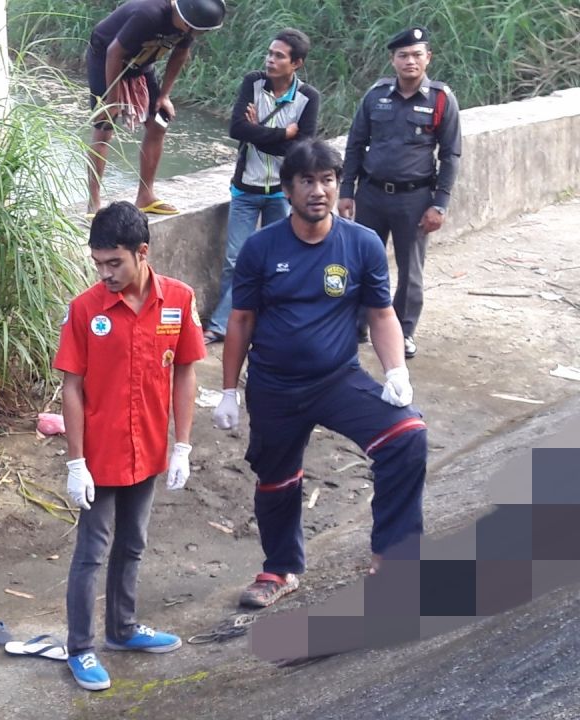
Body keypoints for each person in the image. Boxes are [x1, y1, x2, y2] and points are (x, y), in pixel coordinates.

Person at [213, 140, 428, 609]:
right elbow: (241, 320)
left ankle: (393, 555)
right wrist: (229, 390)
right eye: (307, 181)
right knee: (276, 480)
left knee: (407, 436)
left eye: (327, 180)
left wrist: (396, 371)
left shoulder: (362, 243)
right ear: (288, 190)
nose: (318, 190)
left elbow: (382, 314)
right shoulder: (260, 248)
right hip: (273, 386)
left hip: (337, 380)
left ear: (337, 185)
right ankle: (279, 569)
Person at [53, 201, 206, 690]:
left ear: (142, 253)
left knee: (133, 542)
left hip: (149, 448)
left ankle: (122, 629)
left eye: (114, 262)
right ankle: (81, 648)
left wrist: (182, 445)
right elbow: (72, 387)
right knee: (92, 550)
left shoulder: (177, 301)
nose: (105, 274)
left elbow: (185, 372)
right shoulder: (85, 309)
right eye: (98, 263)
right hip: (100, 454)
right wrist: (76, 462)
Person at [337, 26, 462, 358]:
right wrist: (347, 190)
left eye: (417, 55)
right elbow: (355, 144)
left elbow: (450, 155)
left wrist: (440, 204)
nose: (410, 61)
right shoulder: (375, 96)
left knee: (411, 272)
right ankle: (357, 325)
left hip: (414, 199)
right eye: (403, 55)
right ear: (393, 60)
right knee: (362, 262)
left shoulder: (441, 99)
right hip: (371, 195)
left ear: (428, 58)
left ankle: (403, 331)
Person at [204, 28, 321, 343]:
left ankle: (267, 320)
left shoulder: (308, 97)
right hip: (246, 188)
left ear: (296, 63)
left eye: (279, 56)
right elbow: (236, 129)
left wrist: (257, 131)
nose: (270, 60)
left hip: (283, 193)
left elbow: (302, 150)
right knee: (235, 260)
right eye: (270, 53)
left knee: (278, 261)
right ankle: (222, 325)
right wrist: (283, 134)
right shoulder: (253, 83)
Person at [84, 0, 227, 215]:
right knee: (104, 127)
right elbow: (114, 52)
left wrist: (164, 95)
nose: (201, 34)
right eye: (200, 31)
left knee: (159, 123)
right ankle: (93, 202)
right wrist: (113, 100)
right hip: (106, 59)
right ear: (186, 22)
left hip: (141, 63)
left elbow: (180, 54)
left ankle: (145, 195)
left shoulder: (190, 22)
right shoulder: (148, 14)